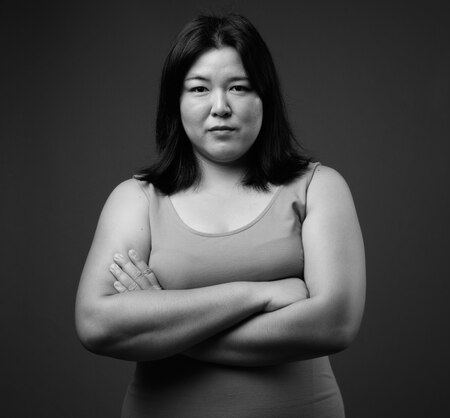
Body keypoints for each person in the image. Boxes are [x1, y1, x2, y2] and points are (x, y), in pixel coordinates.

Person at [74, 14, 365, 418]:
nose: (220, 107)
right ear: (176, 103)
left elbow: (334, 324)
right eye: (198, 88)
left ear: (265, 97)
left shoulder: (319, 186)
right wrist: (258, 293)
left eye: (239, 88)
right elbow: (95, 325)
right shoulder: (136, 199)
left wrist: (165, 321)